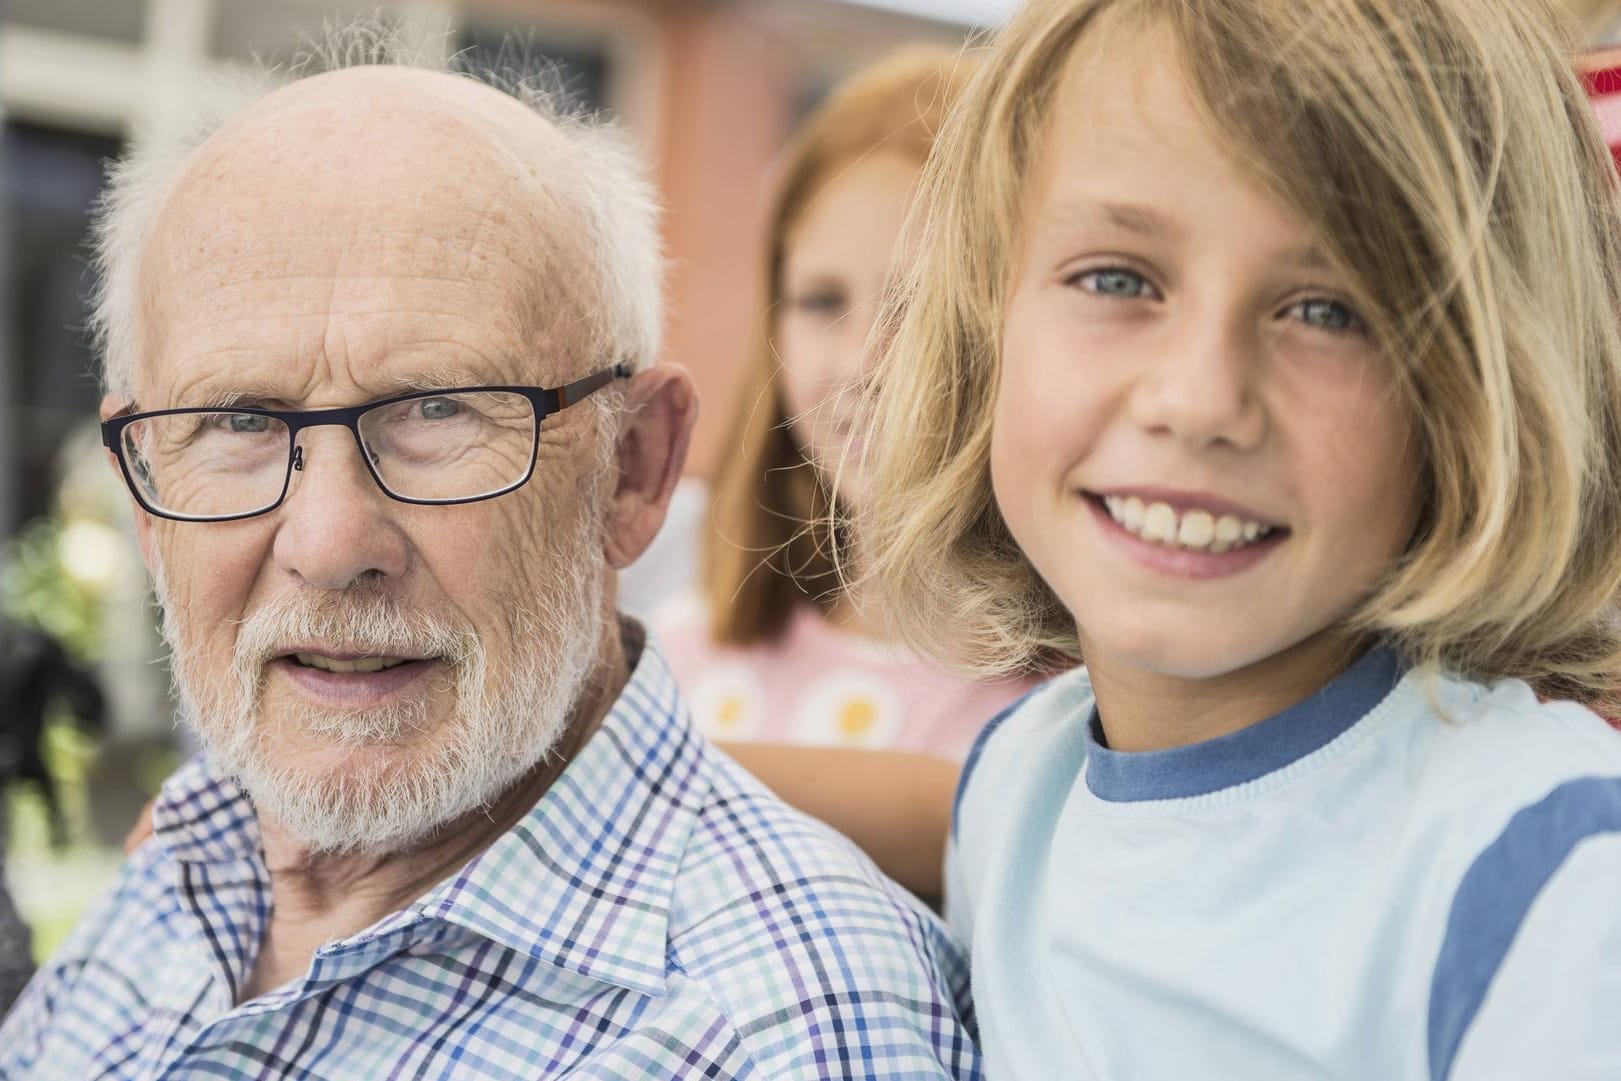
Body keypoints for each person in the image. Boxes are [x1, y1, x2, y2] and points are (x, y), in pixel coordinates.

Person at [0, 34, 979, 1080]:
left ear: (631, 468)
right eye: (237, 421)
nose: (331, 544)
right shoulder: (183, 877)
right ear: (147, 492)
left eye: (438, 409)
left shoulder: (779, 1030)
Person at [849, 0, 1621, 1076]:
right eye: (1117, 279)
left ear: (1482, 395)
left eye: (1328, 310)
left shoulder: (1548, 878)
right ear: (988, 321)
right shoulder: (1018, 785)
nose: (1199, 398)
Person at [657, 47, 1034, 764]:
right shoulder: (686, 651)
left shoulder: (1082, 709)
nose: (862, 360)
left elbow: (957, 815)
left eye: (919, 306)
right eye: (819, 300)